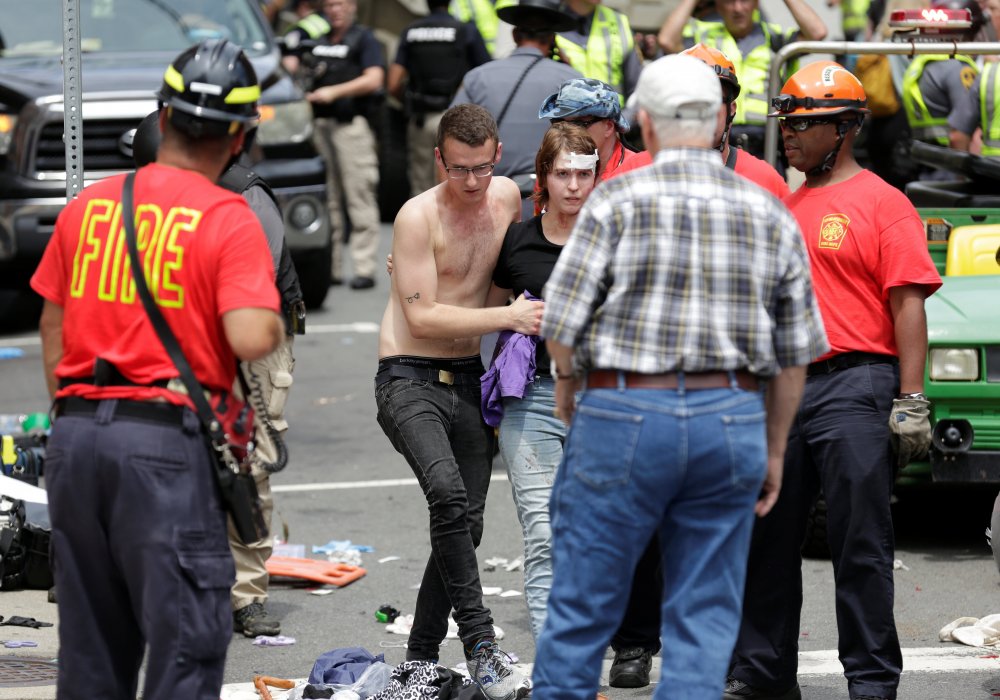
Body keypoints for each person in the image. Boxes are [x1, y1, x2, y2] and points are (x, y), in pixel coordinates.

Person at [531, 53, 828, 700]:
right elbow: (794, 352)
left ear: (643, 121)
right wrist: (774, 449)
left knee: (580, 611)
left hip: (622, 409)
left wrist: (567, 385)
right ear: (719, 118)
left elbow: (561, 324)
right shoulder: (767, 208)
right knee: (702, 622)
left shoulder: (613, 200)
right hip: (730, 417)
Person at [31, 39, 284, 700]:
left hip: (76, 438)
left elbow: (52, 328)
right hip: (162, 450)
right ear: (239, 137)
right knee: (185, 645)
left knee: (91, 653)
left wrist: (77, 415)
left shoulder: (89, 206)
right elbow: (252, 335)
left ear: (162, 118)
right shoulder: (227, 218)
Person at [726, 61, 942, 700]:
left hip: (858, 383)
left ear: (844, 129)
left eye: (804, 124)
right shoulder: (783, 208)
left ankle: (871, 682)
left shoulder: (884, 203)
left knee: (859, 544)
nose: (789, 134)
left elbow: (908, 307)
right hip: (784, 387)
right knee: (766, 538)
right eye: (787, 123)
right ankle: (764, 676)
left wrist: (911, 399)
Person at [599, 40, 792, 692]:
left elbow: (785, 294)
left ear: (729, 109)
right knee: (643, 524)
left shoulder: (763, 181)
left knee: (731, 538)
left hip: (734, 383)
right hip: (651, 376)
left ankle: (738, 659)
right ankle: (634, 639)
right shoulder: (631, 180)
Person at [374, 103, 543, 700]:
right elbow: (420, 318)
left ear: (497, 157)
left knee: (463, 525)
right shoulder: (417, 217)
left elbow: (501, 277)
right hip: (407, 376)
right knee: (447, 495)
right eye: (458, 169)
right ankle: (481, 646)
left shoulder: (507, 200)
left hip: (469, 376)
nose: (471, 182)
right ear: (439, 159)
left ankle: (417, 660)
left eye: (481, 167)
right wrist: (510, 316)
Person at [130, 111, 304, 640]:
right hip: (183, 338)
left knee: (245, 464)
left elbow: (250, 294)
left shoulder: (243, 195)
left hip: (251, 342)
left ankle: (245, 594)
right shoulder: (147, 200)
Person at [484, 122, 600, 642]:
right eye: (563, 174)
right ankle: (558, 650)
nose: (574, 185)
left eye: (583, 173)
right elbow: (479, 305)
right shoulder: (517, 241)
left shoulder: (611, 239)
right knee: (545, 531)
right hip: (532, 401)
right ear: (544, 179)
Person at [284, 0, 385, 290]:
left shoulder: (364, 38)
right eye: (330, 5)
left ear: (352, 6)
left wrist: (333, 92)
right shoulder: (316, 40)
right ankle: (334, 268)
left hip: (350, 126)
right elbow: (291, 64)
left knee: (359, 194)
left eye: (340, 4)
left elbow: (374, 78)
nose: (335, 10)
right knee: (328, 201)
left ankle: (364, 267)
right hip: (319, 127)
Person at [451, 0, 582, 215]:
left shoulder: (478, 77)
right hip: (549, 204)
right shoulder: (572, 80)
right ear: (552, 38)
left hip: (490, 201)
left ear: (514, 35)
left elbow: (451, 134)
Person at [657, 0, 828, 158]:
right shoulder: (702, 38)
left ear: (756, 3)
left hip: (767, 146)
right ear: (717, 5)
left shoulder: (775, 38)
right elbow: (667, 40)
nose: (738, 8)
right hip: (715, 140)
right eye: (729, 1)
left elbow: (817, 33)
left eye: (745, 0)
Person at [388, 0, 492, 197]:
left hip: (421, 119)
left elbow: (393, 83)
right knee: (456, 184)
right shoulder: (465, 30)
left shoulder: (411, 31)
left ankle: (423, 227)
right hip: (457, 120)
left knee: (421, 187)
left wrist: (411, 102)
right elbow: (486, 75)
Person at [901, 0, 980, 153]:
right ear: (974, 30)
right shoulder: (959, 69)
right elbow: (959, 135)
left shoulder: (923, 63)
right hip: (950, 162)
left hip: (925, 157)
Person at [537, 77, 642, 181]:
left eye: (579, 124)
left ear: (608, 127)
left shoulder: (637, 171)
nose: (567, 132)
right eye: (560, 123)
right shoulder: (552, 169)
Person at [554, 0, 642, 103]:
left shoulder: (618, 20)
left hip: (614, 115)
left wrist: (625, 117)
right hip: (564, 115)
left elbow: (637, 90)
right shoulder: (548, 19)